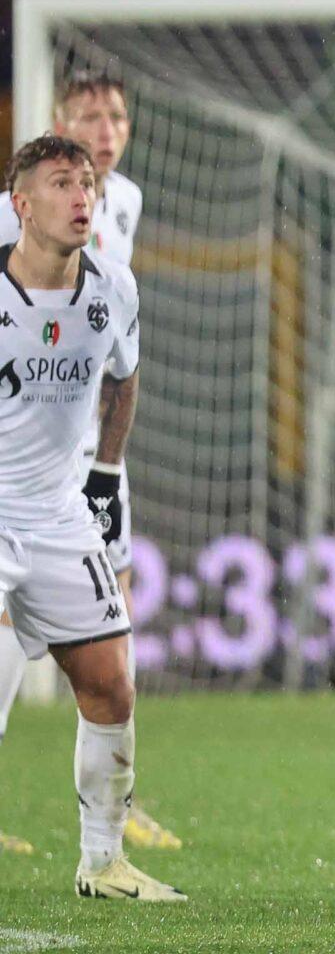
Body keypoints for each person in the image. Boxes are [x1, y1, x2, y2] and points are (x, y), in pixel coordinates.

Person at [0, 69, 180, 855]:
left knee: (114, 629)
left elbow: (121, 362)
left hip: (83, 464)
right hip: (16, 461)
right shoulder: (19, 221)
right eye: (88, 117)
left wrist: (107, 470)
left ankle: (114, 814)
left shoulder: (124, 207)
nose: (105, 130)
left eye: (116, 116)